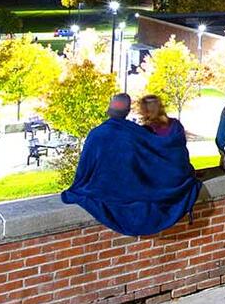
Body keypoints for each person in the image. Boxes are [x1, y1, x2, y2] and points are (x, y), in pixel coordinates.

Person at [61, 93, 201, 237]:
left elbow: (88, 169)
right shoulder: (169, 128)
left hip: (151, 186)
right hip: (179, 178)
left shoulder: (106, 134)